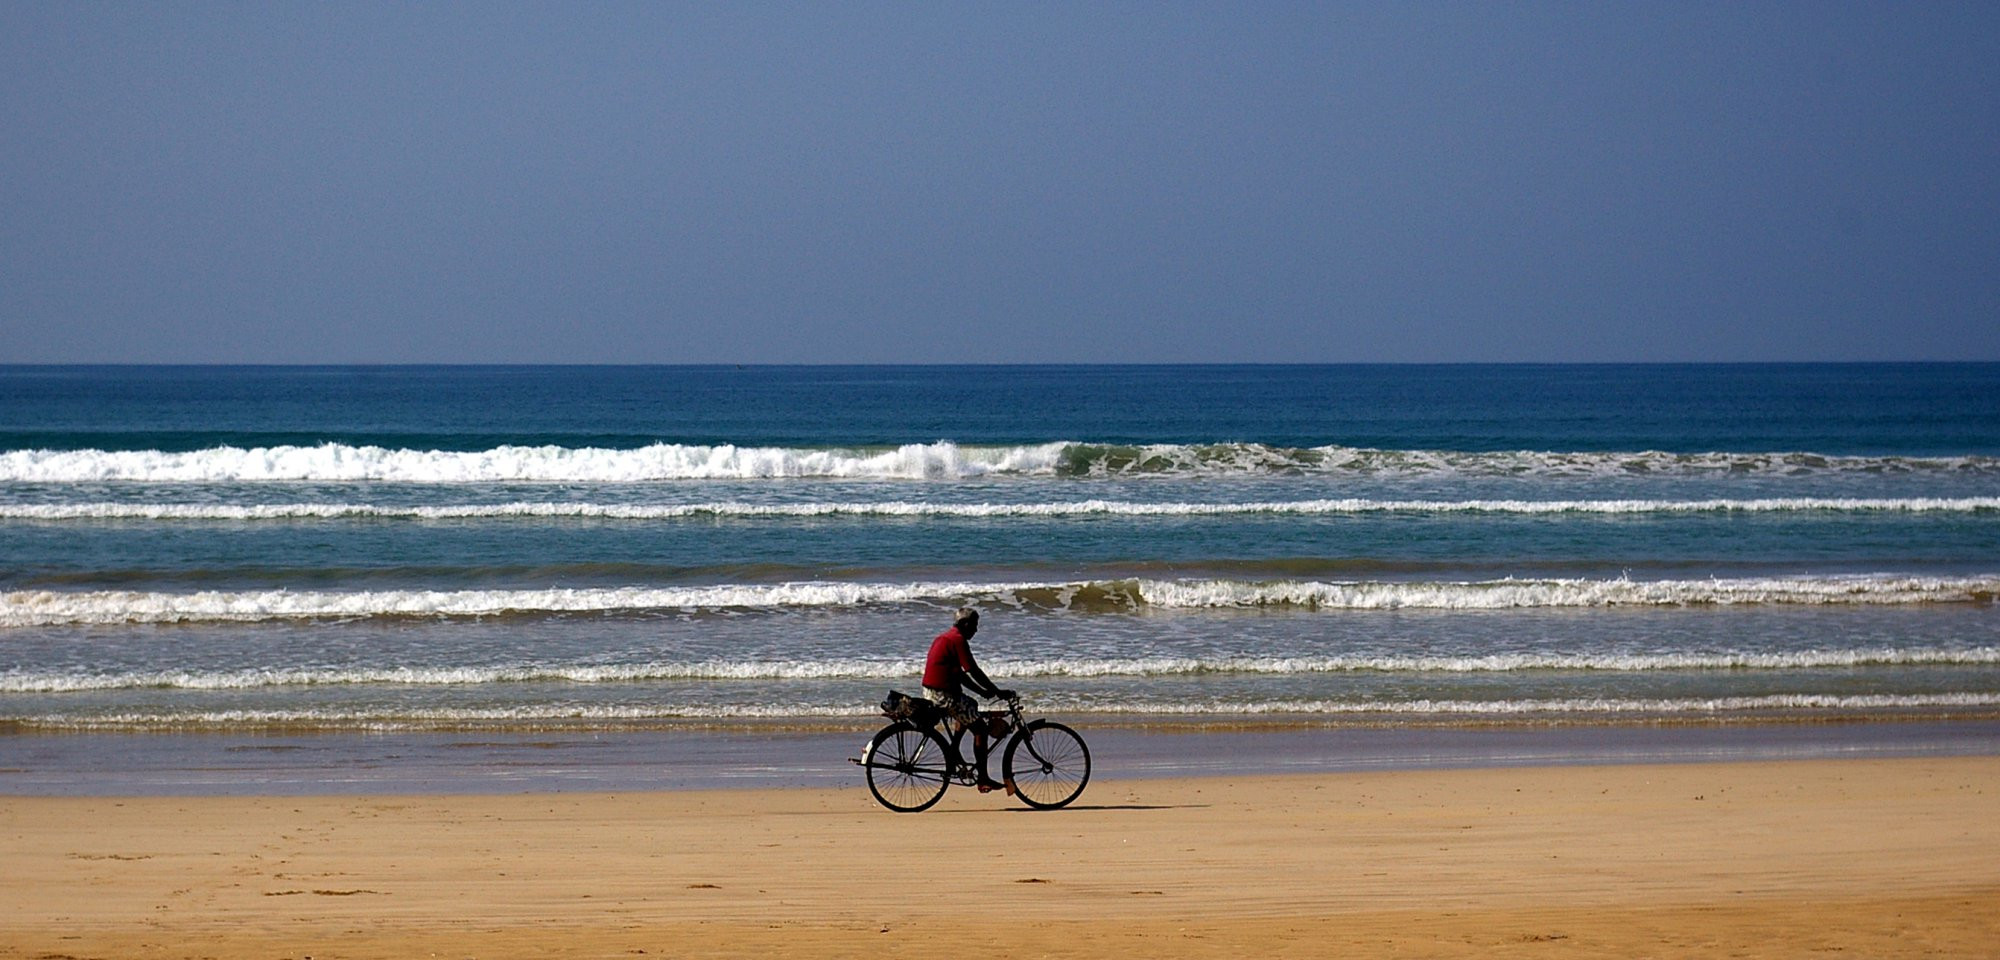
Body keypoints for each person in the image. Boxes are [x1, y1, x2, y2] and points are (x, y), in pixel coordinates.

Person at [922, 607, 1015, 792]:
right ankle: (983, 778)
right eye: (974, 625)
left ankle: (954, 749)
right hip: (942, 695)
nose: (976, 630)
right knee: (980, 729)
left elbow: (960, 676)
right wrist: (996, 691)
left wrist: (983, 692)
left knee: (970, 705)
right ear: (965, 624)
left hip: (933, 691)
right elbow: (972, 670)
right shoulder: (958, 640)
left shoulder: (945, 638)